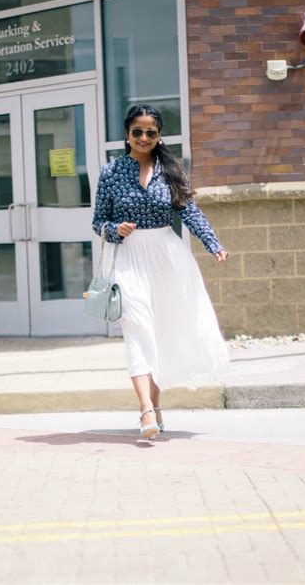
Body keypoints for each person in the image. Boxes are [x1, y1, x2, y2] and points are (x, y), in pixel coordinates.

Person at [92, 104, 230, 440]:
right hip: (129, 257)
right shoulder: (110, 173)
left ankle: (156, 405)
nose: (143, 137)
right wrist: (116, 229)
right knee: (138, 329)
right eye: (137, 131)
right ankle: (145, 411)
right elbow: (98, 222)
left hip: (167, 258)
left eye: (150, 132)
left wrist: (213, 244)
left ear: (158, 135)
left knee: (162, 332)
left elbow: (190, 212)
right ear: (126, 134)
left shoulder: (171, 170)